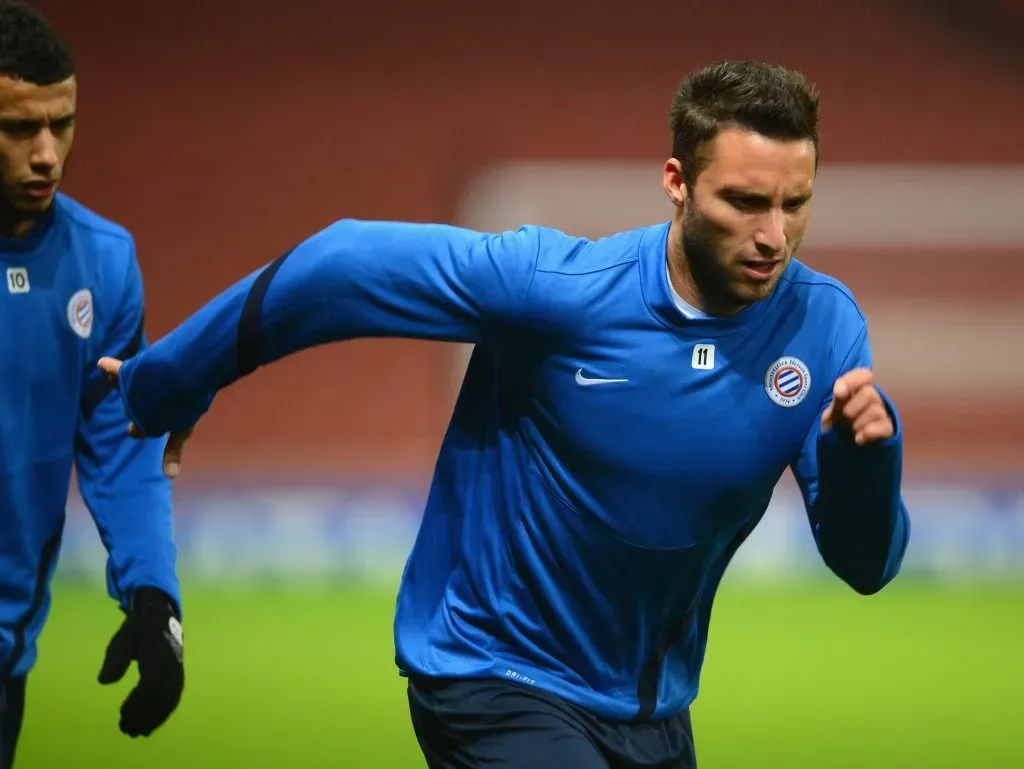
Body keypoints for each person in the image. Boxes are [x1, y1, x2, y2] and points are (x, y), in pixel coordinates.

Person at [99, 59, 911, 769]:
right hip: (493, 673)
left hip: (651, 711)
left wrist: (865, 461)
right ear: (676, 182)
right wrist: (169, 380)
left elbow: (864, 564)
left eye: (794, 203)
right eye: (744, 201)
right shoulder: (559, 289)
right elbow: (337, 266)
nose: (774, 235)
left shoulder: (824, 328)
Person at [0, 3, 185, 766]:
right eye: (17, 130)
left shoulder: (103, 264)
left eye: (62, 124)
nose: (46, 152)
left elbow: (120, 442)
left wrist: (153, 595)